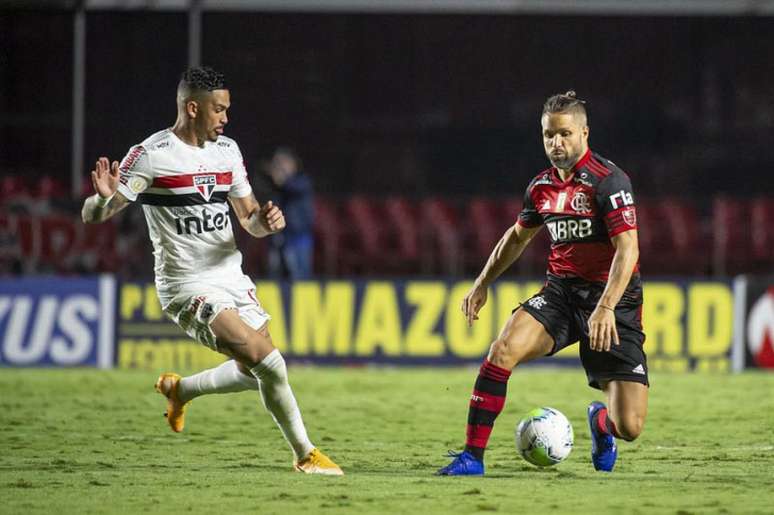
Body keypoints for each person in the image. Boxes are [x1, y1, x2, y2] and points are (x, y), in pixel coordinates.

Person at [81, 66, 342, 475]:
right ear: (192, 108)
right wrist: (100, 200)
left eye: (227, 109)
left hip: (230, 276)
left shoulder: (228, 152)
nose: (225, 118)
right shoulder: (153, 154)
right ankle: (305, 455)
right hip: (186, 285)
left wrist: (266, 223)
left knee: (253, 370)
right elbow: (95, 214)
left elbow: (249, 219)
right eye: (219, 110)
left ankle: (180, 390)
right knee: (269, 362)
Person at [437, 91, 647, 475]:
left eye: (565, 134)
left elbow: (627, 250)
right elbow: (516, 237)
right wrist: (482, 283)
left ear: (585, 132)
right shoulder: (540, 187)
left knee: (630, 427)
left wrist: (605, 308)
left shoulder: (609, 182)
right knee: (501, 350)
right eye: (549, 135)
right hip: (561, 295)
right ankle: (471, 458)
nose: (556, 143)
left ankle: (601, 423)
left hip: (613, 302)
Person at [265, 147, 314, 280]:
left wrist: (280, 179)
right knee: (275, 277)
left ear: (293, 164)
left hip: (298, 238)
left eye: (283, 163)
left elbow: (290, 187)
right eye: (277, 164)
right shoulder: (275, 187)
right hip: (280, 237)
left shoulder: (301, 181)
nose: (280, 167)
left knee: (300, 279)